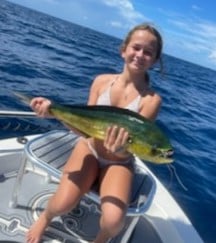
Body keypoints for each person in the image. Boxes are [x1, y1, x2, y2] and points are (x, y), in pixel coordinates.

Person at [26, 23, 163, 243]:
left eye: (148, 52)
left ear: (155, 60)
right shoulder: (100, 82)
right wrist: (54, 112)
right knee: (63, 204)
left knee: (114, 221)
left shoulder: (152, 100)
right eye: (136, 48)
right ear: (123, 49)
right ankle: (46, 217)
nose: (140, 55)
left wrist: (119, 151)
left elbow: (137, 144)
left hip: (119, 162)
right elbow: (83, 130)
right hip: (89, 148)